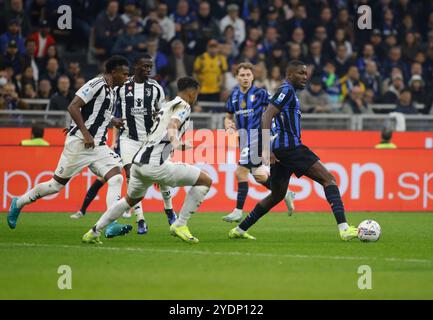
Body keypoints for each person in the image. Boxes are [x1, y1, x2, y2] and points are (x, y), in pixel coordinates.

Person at [228, 60, 358, 241]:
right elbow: (267, 116)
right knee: (328, 180)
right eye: (300, 73)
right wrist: (267, 148)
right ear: (289, 75)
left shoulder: (290, 93)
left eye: (306, 73)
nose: (305, 77)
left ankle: (240, 230)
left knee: (277, 195)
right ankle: (344, 229)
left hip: (281, 150)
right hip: (290, 147)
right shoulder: (286, 90)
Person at [8, 55, 132, 239]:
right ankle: (18, 202)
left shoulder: (113, 91)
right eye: (124, 74)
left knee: (116, 178)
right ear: (113, 72)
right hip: (81, 143)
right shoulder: (96, 83)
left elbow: (97, 113)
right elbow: (73, 106)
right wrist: (85, 132)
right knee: (55, 186)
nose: (127, 77)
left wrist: (113, 120)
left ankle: (110, 224)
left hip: (98, 146)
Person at [82, 77, 212, 245]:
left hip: (138, 163)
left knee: (129, 200)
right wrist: (177, 143)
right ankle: (180, 224)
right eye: (197, 93)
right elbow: (173, 124)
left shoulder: (166, 106)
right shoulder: (183, 106)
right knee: (205, 181)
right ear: (192, 91)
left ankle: (93, 232)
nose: (196, 97)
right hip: (155, 165)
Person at [72, 55, 177, 234]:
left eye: (150, 66)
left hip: (151, 139)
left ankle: (169, 209)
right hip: (129, 139)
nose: (148, 69)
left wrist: (167, 139)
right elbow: (103, 105)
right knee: (131, 176)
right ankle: (140, 219)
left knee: (163, 175)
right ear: (135, 66)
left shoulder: (156, 88)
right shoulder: (122, 87)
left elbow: (165, 114)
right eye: (144, 66)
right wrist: (111, 121)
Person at [222, 62, 295, 223]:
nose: (245, 78)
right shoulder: (233, 96)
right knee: (260, 176)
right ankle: (285, 192)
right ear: (236, 77)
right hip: (244, 139)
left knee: (240, 171)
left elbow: (275, 109)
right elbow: (228, 116)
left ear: (253, 76)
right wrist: (227, 123)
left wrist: (274, 132)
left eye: (248, 75)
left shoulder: (261, 93)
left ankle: (237, 211)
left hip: (258, 137)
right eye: (242, 75)